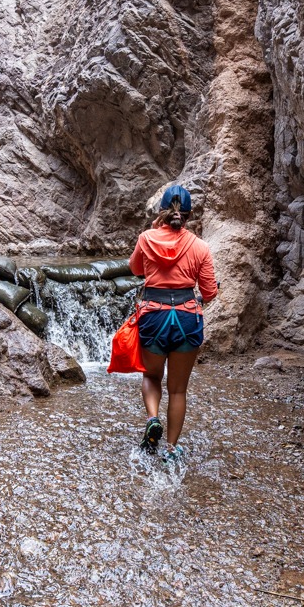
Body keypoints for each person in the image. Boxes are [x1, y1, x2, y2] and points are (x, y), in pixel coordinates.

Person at [128, 185, 219, 464]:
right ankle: (170, 449)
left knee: (152, 377)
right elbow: (209, 292)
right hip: (186, 317)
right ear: (188, 216)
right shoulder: (200, 246)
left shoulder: (146, 238)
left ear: (161, 212)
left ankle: (153, 419)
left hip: (153, 316)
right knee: (178, 389)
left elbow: (135, 269)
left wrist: (153, 239)